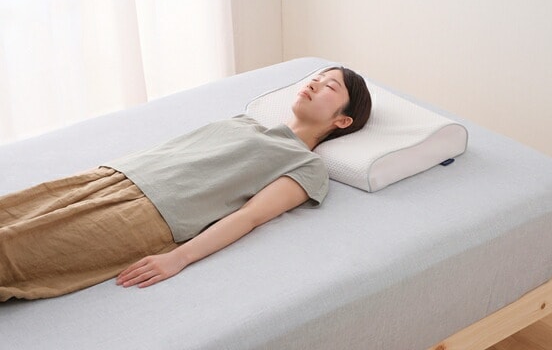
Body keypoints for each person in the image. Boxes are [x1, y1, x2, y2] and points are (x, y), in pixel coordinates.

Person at [0, 66, 372, 301]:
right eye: (316, 78)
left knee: (15, 255)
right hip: (115, 176)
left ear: (342, 121)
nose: (314, 83)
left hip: (149, 215)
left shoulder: (307, 165)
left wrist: (179, 257)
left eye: (329, 86)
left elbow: (250, 216)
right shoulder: (244, 122)